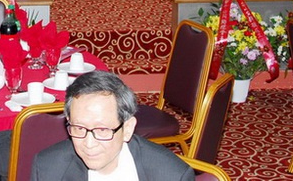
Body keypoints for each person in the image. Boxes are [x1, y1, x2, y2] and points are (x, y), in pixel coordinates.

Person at [30, 70, 192, 181]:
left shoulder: (171, 175)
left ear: (127, 128)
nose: (89, 144)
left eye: (102, 130)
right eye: (79, 128)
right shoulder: (47, 169)